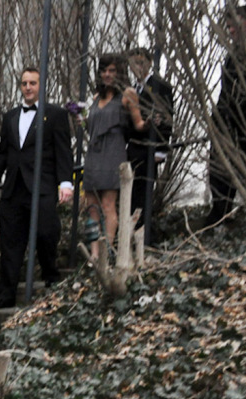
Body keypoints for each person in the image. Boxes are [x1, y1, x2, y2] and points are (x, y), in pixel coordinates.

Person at [0, 66, 74, 308]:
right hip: (14, 188)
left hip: (42, 186)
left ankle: (51, 275)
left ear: (41, 85)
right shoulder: (10, 116)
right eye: (24, 83)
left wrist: (65, 182)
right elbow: (3, 153)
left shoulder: (55, 114)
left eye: (32, 83)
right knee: (10, 242)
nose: (28, 87)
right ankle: (6, 294)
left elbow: (63, 150)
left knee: (47, 233)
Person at [83, 53, 146, 259]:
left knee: (109, 205)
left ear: (119, 72)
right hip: (93, 152)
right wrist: (81, 121)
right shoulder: (95, 98)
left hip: (114, 151)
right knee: (91, 205)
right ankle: (94, 252)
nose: (107, 75)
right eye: (104, 71)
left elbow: (138, 124)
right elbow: (90, 127)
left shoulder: (128, 94)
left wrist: (155, 121)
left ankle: (107, 250)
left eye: (111, 70)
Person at [207, 4, 246, 227]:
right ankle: (220, 216)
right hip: (229, 127)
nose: (231, 31)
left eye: (234, 26)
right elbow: (226, 93)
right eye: (228, 27)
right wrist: (216, 122)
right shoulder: (234, 53)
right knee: (219, 171)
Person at [126, 47, 174, 244]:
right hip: (134, 149)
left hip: (151, 147)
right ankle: (136, 232)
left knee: (145, 192)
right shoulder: (132, 89)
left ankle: (147, 236)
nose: (137, 67)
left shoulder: (160, 86)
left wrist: (162, 149)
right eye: (133, 64)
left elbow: (167, 118)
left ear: (148, 62)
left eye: (140, 62)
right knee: (133, 193)